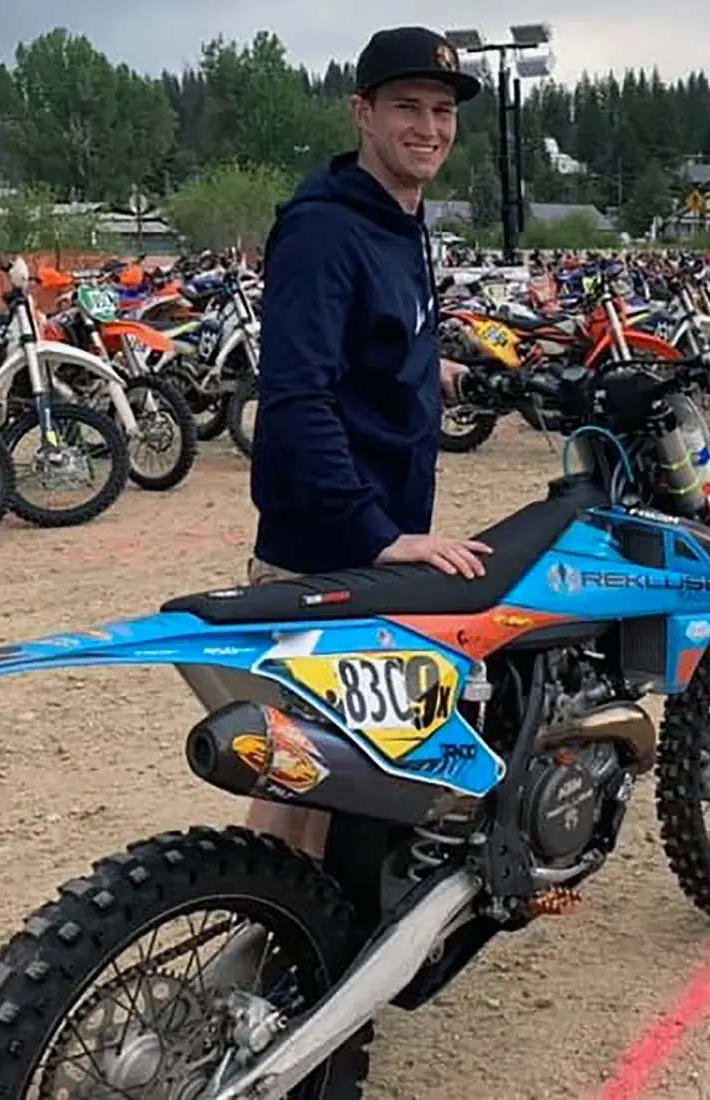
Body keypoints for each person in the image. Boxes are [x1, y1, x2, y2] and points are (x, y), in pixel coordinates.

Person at [244, 26, 494, 862]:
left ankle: (313, 957)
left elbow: (368, 351)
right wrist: (377, 537)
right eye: (406, 109)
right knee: (302, 782)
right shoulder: (325, 230)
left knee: (352, 777)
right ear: (362, 113)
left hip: (376, 546)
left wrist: (443, 372)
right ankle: (252, 961)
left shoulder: (397, 218)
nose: (428, 127)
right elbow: (294, 396)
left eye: (441, 111)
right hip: (328, 554)